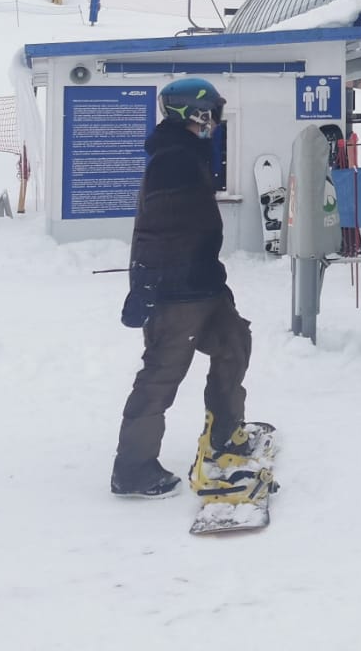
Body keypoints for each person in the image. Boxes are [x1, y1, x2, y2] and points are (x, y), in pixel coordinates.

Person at [111, 78, 262, 497]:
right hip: (175, 290)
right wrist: (145, 285)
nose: (214, 118)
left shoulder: (188, 152)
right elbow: (155, 227)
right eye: (210, 110)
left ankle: (224, 434)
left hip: (204, 281)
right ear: (194, 112)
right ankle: (133, 469)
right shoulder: (173, 159)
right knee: (162, 375)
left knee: (234, 343)